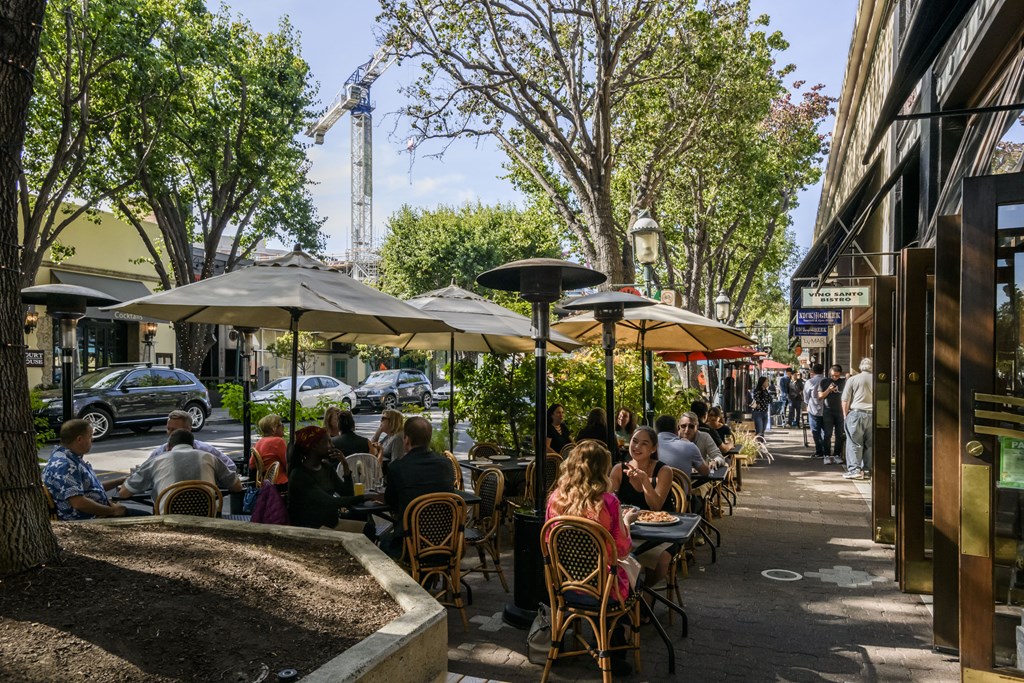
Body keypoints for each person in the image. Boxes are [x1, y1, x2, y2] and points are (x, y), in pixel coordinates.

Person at [546, 440, 639, 675]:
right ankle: (615, 650)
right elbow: (622, 549)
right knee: (636, 572)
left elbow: (548, 542)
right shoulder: (608, 501)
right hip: (603, 591)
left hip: (565, 587)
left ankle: (580, 639)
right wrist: (626, 523)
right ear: (602, 469)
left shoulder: (555, 498)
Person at [380, 416, 455, 557]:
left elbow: (391, 502)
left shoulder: (397, 467)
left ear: (406, 439)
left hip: (410, 545)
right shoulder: (446, 464)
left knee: (381, 542)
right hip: (446, 542)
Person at [118, 429, 242, 512]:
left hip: (168, 519)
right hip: (207, 518)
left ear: (168, 447)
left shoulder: (156, 460)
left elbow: (124, 493)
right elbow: (237, 487)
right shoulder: (209, 457)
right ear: (193, 445)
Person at [42, 419, 131, 520]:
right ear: (79, 439)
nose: (92, 439)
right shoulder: (67, 466)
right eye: (90, 436)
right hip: (86, 520)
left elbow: (89, 489)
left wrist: (121, 480)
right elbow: (79, 503)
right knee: (142, 515)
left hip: (96, 513)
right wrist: (113, 511)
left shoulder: (63, 455)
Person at [287, 425, 367, 531]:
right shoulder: (299, 475)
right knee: (365, 529)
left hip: (332, 523)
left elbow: (347, 493)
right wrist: (366, 497)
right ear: (314, 446)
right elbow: (330, 503)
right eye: (328, 442)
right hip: (313, 529)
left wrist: (345, 465)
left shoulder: (326, 466)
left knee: (367, 526)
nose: (332, 445)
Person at [143, 410, 236, 473]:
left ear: (188, 429)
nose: (170, 433)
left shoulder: (205, 450)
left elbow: (230, 466)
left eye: (175, 430)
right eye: (168, 429)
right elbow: (142, 473)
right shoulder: (159, 452)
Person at [842, 357, 874, 479]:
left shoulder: (853, 379)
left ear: (861, 367)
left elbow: (845, 400)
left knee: (854, 443)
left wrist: (845, 415)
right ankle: (867, 470)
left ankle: (854, 470)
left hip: (856, 413)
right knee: (870, 444)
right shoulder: (876, 379)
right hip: (873, 414)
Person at [818, 364, 846, 465]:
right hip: (828, 411)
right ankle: (826, 455)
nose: (835, 378)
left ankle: (837, 454)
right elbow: (820, 396)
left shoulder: (843, 382)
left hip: (840, 411)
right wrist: (829, 390)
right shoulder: (824, 381)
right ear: (830, 373)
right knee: (827, 434)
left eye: (837, 376)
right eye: (833, 375)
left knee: (839, 434)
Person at [251, 413, 288, 485]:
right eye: (281, 425)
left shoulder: (259, 442)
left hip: (264, 483)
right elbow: (288, 463)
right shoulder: (278, 441)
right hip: (279, 482)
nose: (283, 427)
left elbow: (251, 464)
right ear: (273, 428)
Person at [803, 363, 827, 458]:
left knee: (815, 431)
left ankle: (819, 451)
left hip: (814, 409)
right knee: (826, 431)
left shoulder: (810, 382)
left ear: (813, 371)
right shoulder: (827, 380)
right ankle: (826, 451)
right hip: (826, 409)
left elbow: (806, 397)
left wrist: (807, 403)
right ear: (823, 370)